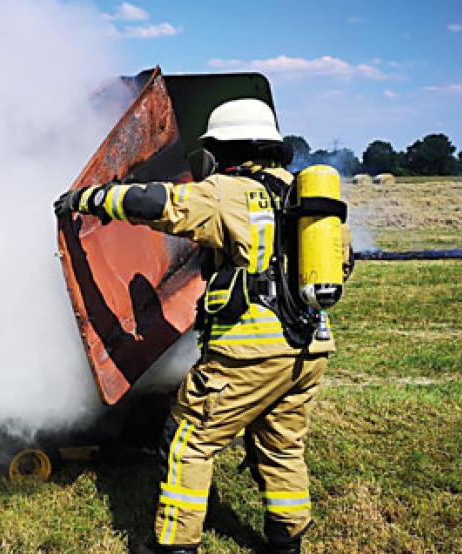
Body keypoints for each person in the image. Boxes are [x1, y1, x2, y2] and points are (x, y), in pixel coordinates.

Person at [54, 98, 352, 554]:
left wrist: (90, 198)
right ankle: (287, 541)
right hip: (309, 349)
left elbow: (156, 203)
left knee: (188, 440)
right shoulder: (306, 197)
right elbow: (343, 263)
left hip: (250, 353)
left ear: (230, 149)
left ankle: (176, 545)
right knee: (282, 445)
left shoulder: (228, 192)